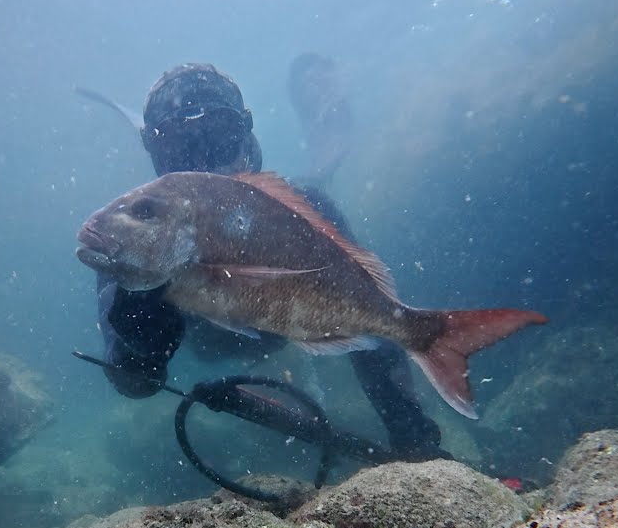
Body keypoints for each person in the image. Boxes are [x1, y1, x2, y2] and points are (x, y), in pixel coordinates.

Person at [93, 63, 448, 461]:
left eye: (220, 136)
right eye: (180, 146)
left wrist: (414, 438)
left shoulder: (305, 210)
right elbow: (134, 384)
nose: (202, 161)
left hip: (292, 332)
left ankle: (327, 146)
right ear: (157, 154)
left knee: (323, 212)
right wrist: (138, 336)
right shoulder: (138, 237)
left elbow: (371, 320)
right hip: (217, 346)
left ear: (244, 133)